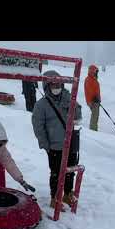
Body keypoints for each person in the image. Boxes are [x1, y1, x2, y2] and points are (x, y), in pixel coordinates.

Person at [32, 70, 82, 210]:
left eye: (59, 84)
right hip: (54, 146)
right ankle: (55, 197)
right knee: (56, 172)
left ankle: (67, 194)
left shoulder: (68, 98)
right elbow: (38, 127)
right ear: (47, 86)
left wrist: (72, 103)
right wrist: (45, 145)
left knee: (70, 171)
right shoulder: (41, 105)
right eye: (53, 84)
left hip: (71, 143)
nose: (56, 87)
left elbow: (78, 117)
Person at [84, 64, 101, 131]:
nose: (97, 72)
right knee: (94, 116)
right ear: (92, 71)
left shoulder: (94, 79)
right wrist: (94, 99)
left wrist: (98, 98)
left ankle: (94, 129)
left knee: (96, 116)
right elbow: (89, 91)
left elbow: (96, 90)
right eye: (96, 71)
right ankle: (93, 130)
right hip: (93, 101)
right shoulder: (89, 79)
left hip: (96, 100)